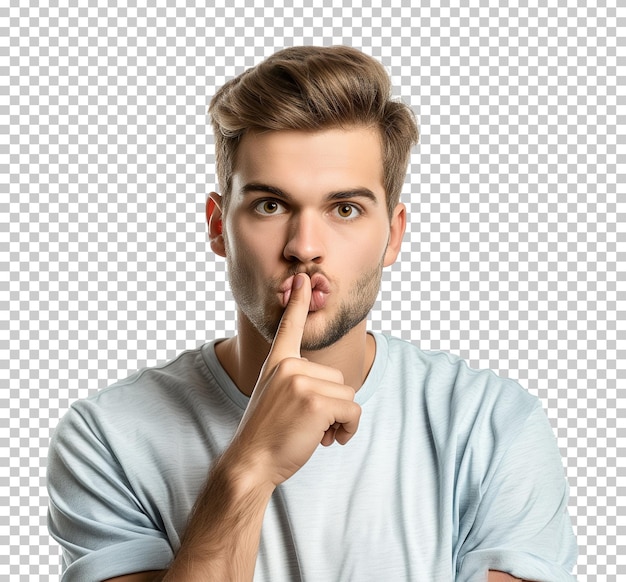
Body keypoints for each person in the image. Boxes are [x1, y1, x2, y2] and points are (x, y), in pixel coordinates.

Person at [47, 46, 577, 581]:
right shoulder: (108, 437)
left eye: (344, 209)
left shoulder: (492, 426)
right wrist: (249, 468)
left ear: (392, 235)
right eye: (270, 206)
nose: (304, 246)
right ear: (217, 226)